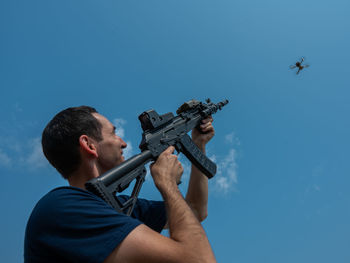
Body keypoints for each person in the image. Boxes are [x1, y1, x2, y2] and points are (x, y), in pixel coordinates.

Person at [24, 106, 217, 263]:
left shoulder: (117, 207)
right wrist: (168, 185)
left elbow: (195, 211)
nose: (123, 143)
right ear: (89, 145)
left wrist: (198, 144)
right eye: (114, 133)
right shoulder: (63, 208)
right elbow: (198, 259)